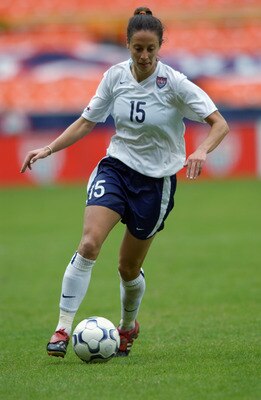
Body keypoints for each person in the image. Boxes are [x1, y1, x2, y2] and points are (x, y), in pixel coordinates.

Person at [20, 6, 229, 358]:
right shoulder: (114, 77)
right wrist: (49, 148)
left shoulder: (175, 83)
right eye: (137, 48)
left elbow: (219, 123)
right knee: (88, 244)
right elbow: (87, 122)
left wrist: (201, 151)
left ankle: (128, 325)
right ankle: (61, 328)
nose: (144, 55)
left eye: (150, 48)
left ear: (160, 46)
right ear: (127, 45)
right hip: (116, 168)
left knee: (127, 268)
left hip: (156, 183)